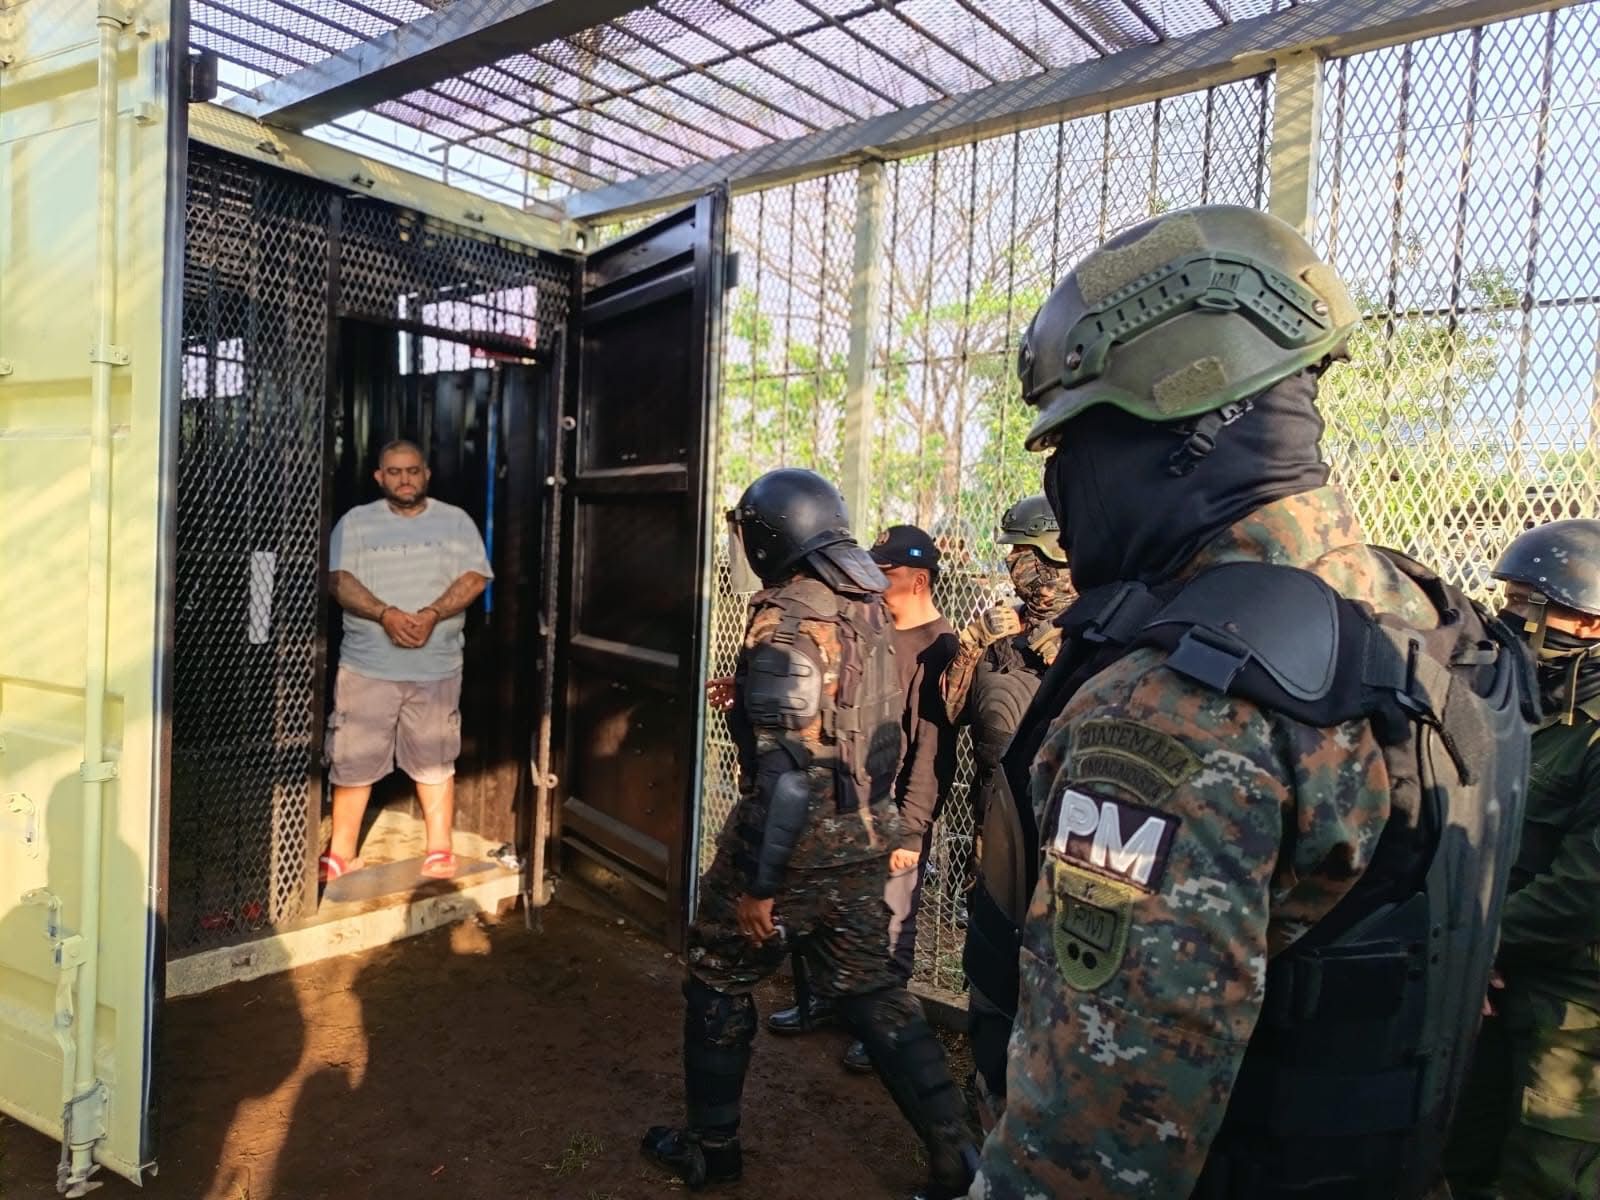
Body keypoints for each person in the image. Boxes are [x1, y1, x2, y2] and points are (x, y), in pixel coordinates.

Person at [972, 205, 1533, 1198]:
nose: (1059, 481)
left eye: (1075, 440)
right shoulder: (1423, 622)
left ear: (1190, 424)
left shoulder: (1179, 707)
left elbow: (1092, 1152)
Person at [643, 469, 977, 1199]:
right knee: (877, 992)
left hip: (792, 844)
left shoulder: (789, 617)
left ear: (771, 536)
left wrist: (761, 886)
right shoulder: (867, 607)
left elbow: (788, 774)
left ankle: (711, 1149)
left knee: (716, 974)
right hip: (865, 831)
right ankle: (959, 1158)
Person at [1443, 518, 1600, 1200]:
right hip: (1496, 968)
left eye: (1529, 607)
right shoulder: (1521, 707)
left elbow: (1585, 886)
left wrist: (1487, 944)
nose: (1510, 622)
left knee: (1548, 1171)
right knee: (1458, 1147)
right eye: (1504, 601)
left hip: (1573, 994)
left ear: (1591, 625)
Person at [766, 525, 961, 1073]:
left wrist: (913, 829)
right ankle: (828, 1001)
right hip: (849, 805)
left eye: (888, 574)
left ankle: (884, 1028)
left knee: (893, 923)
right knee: (832, 911)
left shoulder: (939, 648)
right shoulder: (872, 631)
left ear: (918, 580)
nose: (875, 582)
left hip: (895, 814)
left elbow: (931, 749)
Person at [937, 495, 1075, 1126]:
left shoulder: (1095, 638)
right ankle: (988, 1091)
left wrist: (1056, 648)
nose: (1024, 574)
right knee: (991, 965)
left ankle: (1040, 1102)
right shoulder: (999, 633)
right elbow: (948, 710)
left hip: (1063, 840)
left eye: (1034, 559)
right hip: (996, 828)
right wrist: (973, 643)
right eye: (1018, 558)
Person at [321, 439, 492, 882]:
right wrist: (386, 614)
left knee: (435, 756)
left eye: (412, 471)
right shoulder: (356, 523)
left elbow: (474, 578)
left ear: (426, 474)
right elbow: (338, 579)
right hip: (367, 664)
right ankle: (341, 853)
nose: (404, 479)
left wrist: (432, 614)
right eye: (394, 472)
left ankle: (439, 848)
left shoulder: (455, 522)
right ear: (379, 477)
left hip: (436, 665)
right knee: (353, 756)